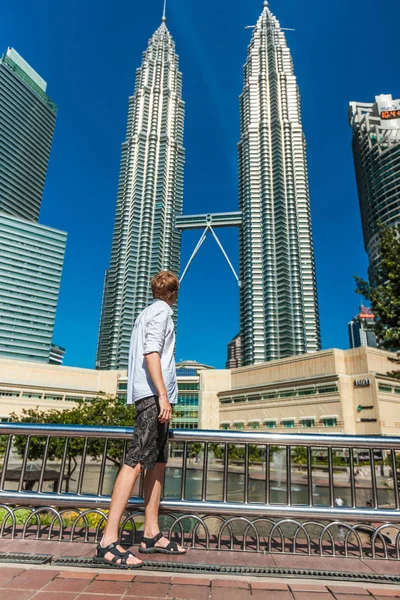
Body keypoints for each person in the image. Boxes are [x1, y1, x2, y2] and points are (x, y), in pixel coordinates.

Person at [94, 271, 186, 569]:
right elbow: (151, 353)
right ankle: (108, 541)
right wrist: (162, 395)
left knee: (157, 461)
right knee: (134, 461)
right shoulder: (162, 313)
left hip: (153, 396)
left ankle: (151, 533)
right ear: (174, 293)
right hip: (152, 396)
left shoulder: (147, 311)